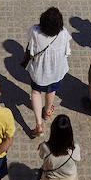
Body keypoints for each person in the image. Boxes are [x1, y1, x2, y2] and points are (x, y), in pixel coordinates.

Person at [25, 7, 72, 136]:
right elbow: (67, 52)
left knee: (35, 92)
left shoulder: (35, 31)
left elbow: (30, 45)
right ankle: (47, 111)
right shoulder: (63, 33)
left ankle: (39, 125)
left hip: (39, 72)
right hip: (57, 72)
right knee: (51, 90)